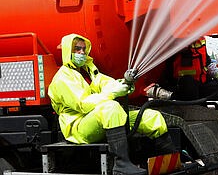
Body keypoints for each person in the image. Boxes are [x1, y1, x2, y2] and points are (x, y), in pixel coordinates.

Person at [48, 34, 175, 175]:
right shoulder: (63, 78)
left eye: (84, 49)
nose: (82, 53)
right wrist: (113, 93)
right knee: (111, 107)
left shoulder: (89, 70)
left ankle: (170, 159)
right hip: (78, 126)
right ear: (67, 51)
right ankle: (121, 164)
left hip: (101, 118)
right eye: (77, 49)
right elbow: (82, 104)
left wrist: (125, 84)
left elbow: (107, 83)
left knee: (151, 116)